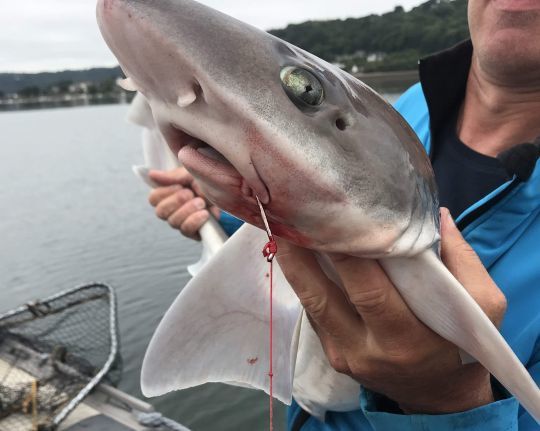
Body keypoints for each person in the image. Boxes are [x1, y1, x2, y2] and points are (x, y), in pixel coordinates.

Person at [147, 0, 540, 429]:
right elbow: (327, 199)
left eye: (307, 92)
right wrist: (227, 212)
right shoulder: (408, 105)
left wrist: (449, 402)